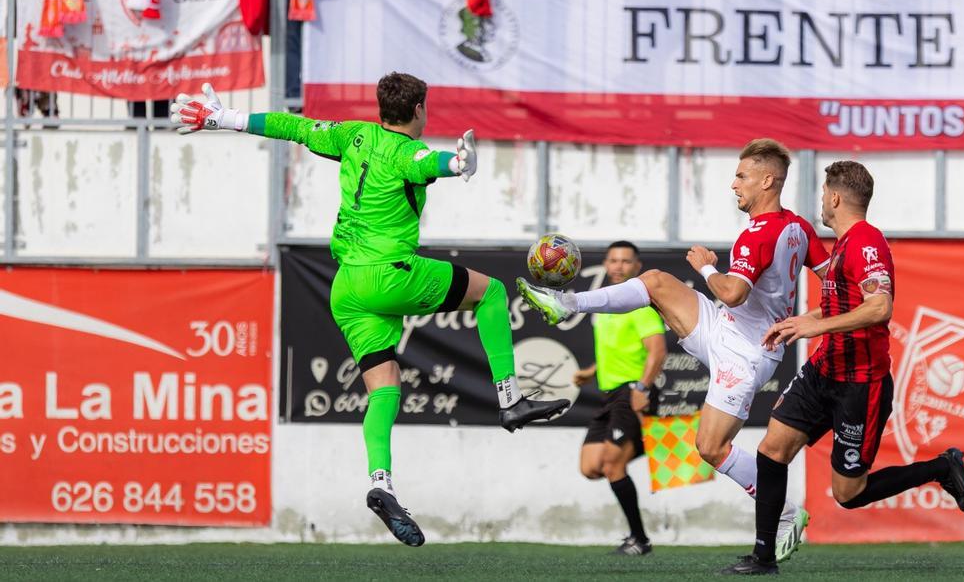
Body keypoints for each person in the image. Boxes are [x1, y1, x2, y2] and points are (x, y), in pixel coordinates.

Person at [170, 73, 570, 545]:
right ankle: (510, 399)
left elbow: (292, 127)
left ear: (382, 108)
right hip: (390, 274)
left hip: (346, 287)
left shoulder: (353, 134)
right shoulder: (407, 152)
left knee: (384, 388)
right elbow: (432, 161)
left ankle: (381, 483)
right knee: (493, 292)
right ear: (419, 109)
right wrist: (459, 161)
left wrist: (225, 118)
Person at [519, 138, 829, 564]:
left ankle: (787, 513)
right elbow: (832, 278)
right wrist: (815, 315)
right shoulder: (798, 227)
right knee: (657, 281)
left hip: (744, 355)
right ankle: (566, 302)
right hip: (725, 329)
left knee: (710, 447)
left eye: (742, 176)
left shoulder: (758, 235)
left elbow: (734, 293)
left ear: (767, 180)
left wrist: (705, 266)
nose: (734, 184)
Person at [719, 160, 964, 575]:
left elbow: (879, 306)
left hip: (860, 384)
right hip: (825, 370)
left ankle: (942, 467)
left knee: (848, 493)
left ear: (835, 197)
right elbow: (848, 302)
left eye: (822, 194)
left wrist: (814, 325)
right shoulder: (843, 245)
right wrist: (808, 321)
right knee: (772, 450)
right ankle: (763, 557)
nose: (821, 201)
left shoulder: (866, 242)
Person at [574, 240, 667, 556]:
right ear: (605, 264)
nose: (619, 266)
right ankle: (649, 441)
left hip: (633, 393)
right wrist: (590, 371)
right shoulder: (606, 307)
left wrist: (641, 390)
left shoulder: (638, 304)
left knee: (613, 464)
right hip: (610, 395)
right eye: (613, 260)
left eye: (626, 261)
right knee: (590, 467)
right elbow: (621, 351)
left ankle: (639, 540)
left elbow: (657, 351)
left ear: (637, 267)